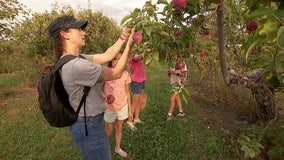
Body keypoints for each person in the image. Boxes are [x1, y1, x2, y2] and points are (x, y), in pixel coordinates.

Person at [47, 15, 134, 160]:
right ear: (64, 34)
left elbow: (107, 55)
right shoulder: (78, 66)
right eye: (79, 29)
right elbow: (116, 73)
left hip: (82, 123)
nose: (84, 32)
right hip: (90, 126)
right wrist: (129, 46)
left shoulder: (72, 59)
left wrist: (123, 37)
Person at [102, 52, 133, 158]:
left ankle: (118, 148)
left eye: (120, 59)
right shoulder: (106, 73)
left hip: (122, 106)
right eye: (115, 59)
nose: (117, 61)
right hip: (110, 108)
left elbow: (128, 93)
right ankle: (102, 151)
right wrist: (105, 97)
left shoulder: (125, 74)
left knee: (119, 129)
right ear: (111, 60)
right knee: (108, 131)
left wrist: (129, 111)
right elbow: (100, 90)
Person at [127, 52, 147, 129]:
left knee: (139, 101)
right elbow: (138, 57)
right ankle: (129, 121)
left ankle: (136, 118)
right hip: (136, 82)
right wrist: (146, 52)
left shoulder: (140, 53)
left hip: (142, 80)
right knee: (135, 103)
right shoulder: (133, 55)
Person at [166, 53, 187, 120]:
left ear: (178, 55)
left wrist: (175, 72)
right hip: (174, 83)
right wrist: (169, 72)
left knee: (172, 99)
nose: (173, 56)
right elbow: (170, 74)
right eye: (171, 55)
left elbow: (184, 74)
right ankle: (181, 112)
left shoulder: (182, 63)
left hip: (180, 83)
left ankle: (169, 114)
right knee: (177, 98)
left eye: (174, 55)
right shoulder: (171, 63)